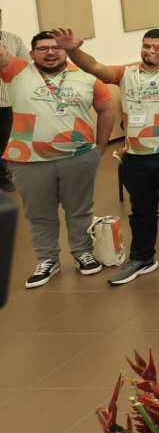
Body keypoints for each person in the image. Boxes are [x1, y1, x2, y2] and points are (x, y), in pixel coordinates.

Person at [55, 28, 159, 284]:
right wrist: (72, 50)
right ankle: (142, 258)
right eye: (147, 46)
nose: (150, 51)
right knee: (141, 211)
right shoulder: (127, 73)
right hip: (136, 156)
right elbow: (93, 66)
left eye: (157, 48)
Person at [1, 31, 116, 288]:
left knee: (79, 210)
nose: (50, 52)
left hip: (77, 157)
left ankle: (82, 253)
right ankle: (47, 259)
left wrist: (100, 147)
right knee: (40, 215)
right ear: (31, 54)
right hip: (29, 160)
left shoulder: (86, 77)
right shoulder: (17, 71)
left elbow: (107, 107)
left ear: (65, 50)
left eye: (55, 47)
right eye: (42, 49)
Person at [0, 10, 26, 193]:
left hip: (6, 100)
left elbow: (27, 65)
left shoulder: (13, 39)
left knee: (4, 140)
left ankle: (3, 177)